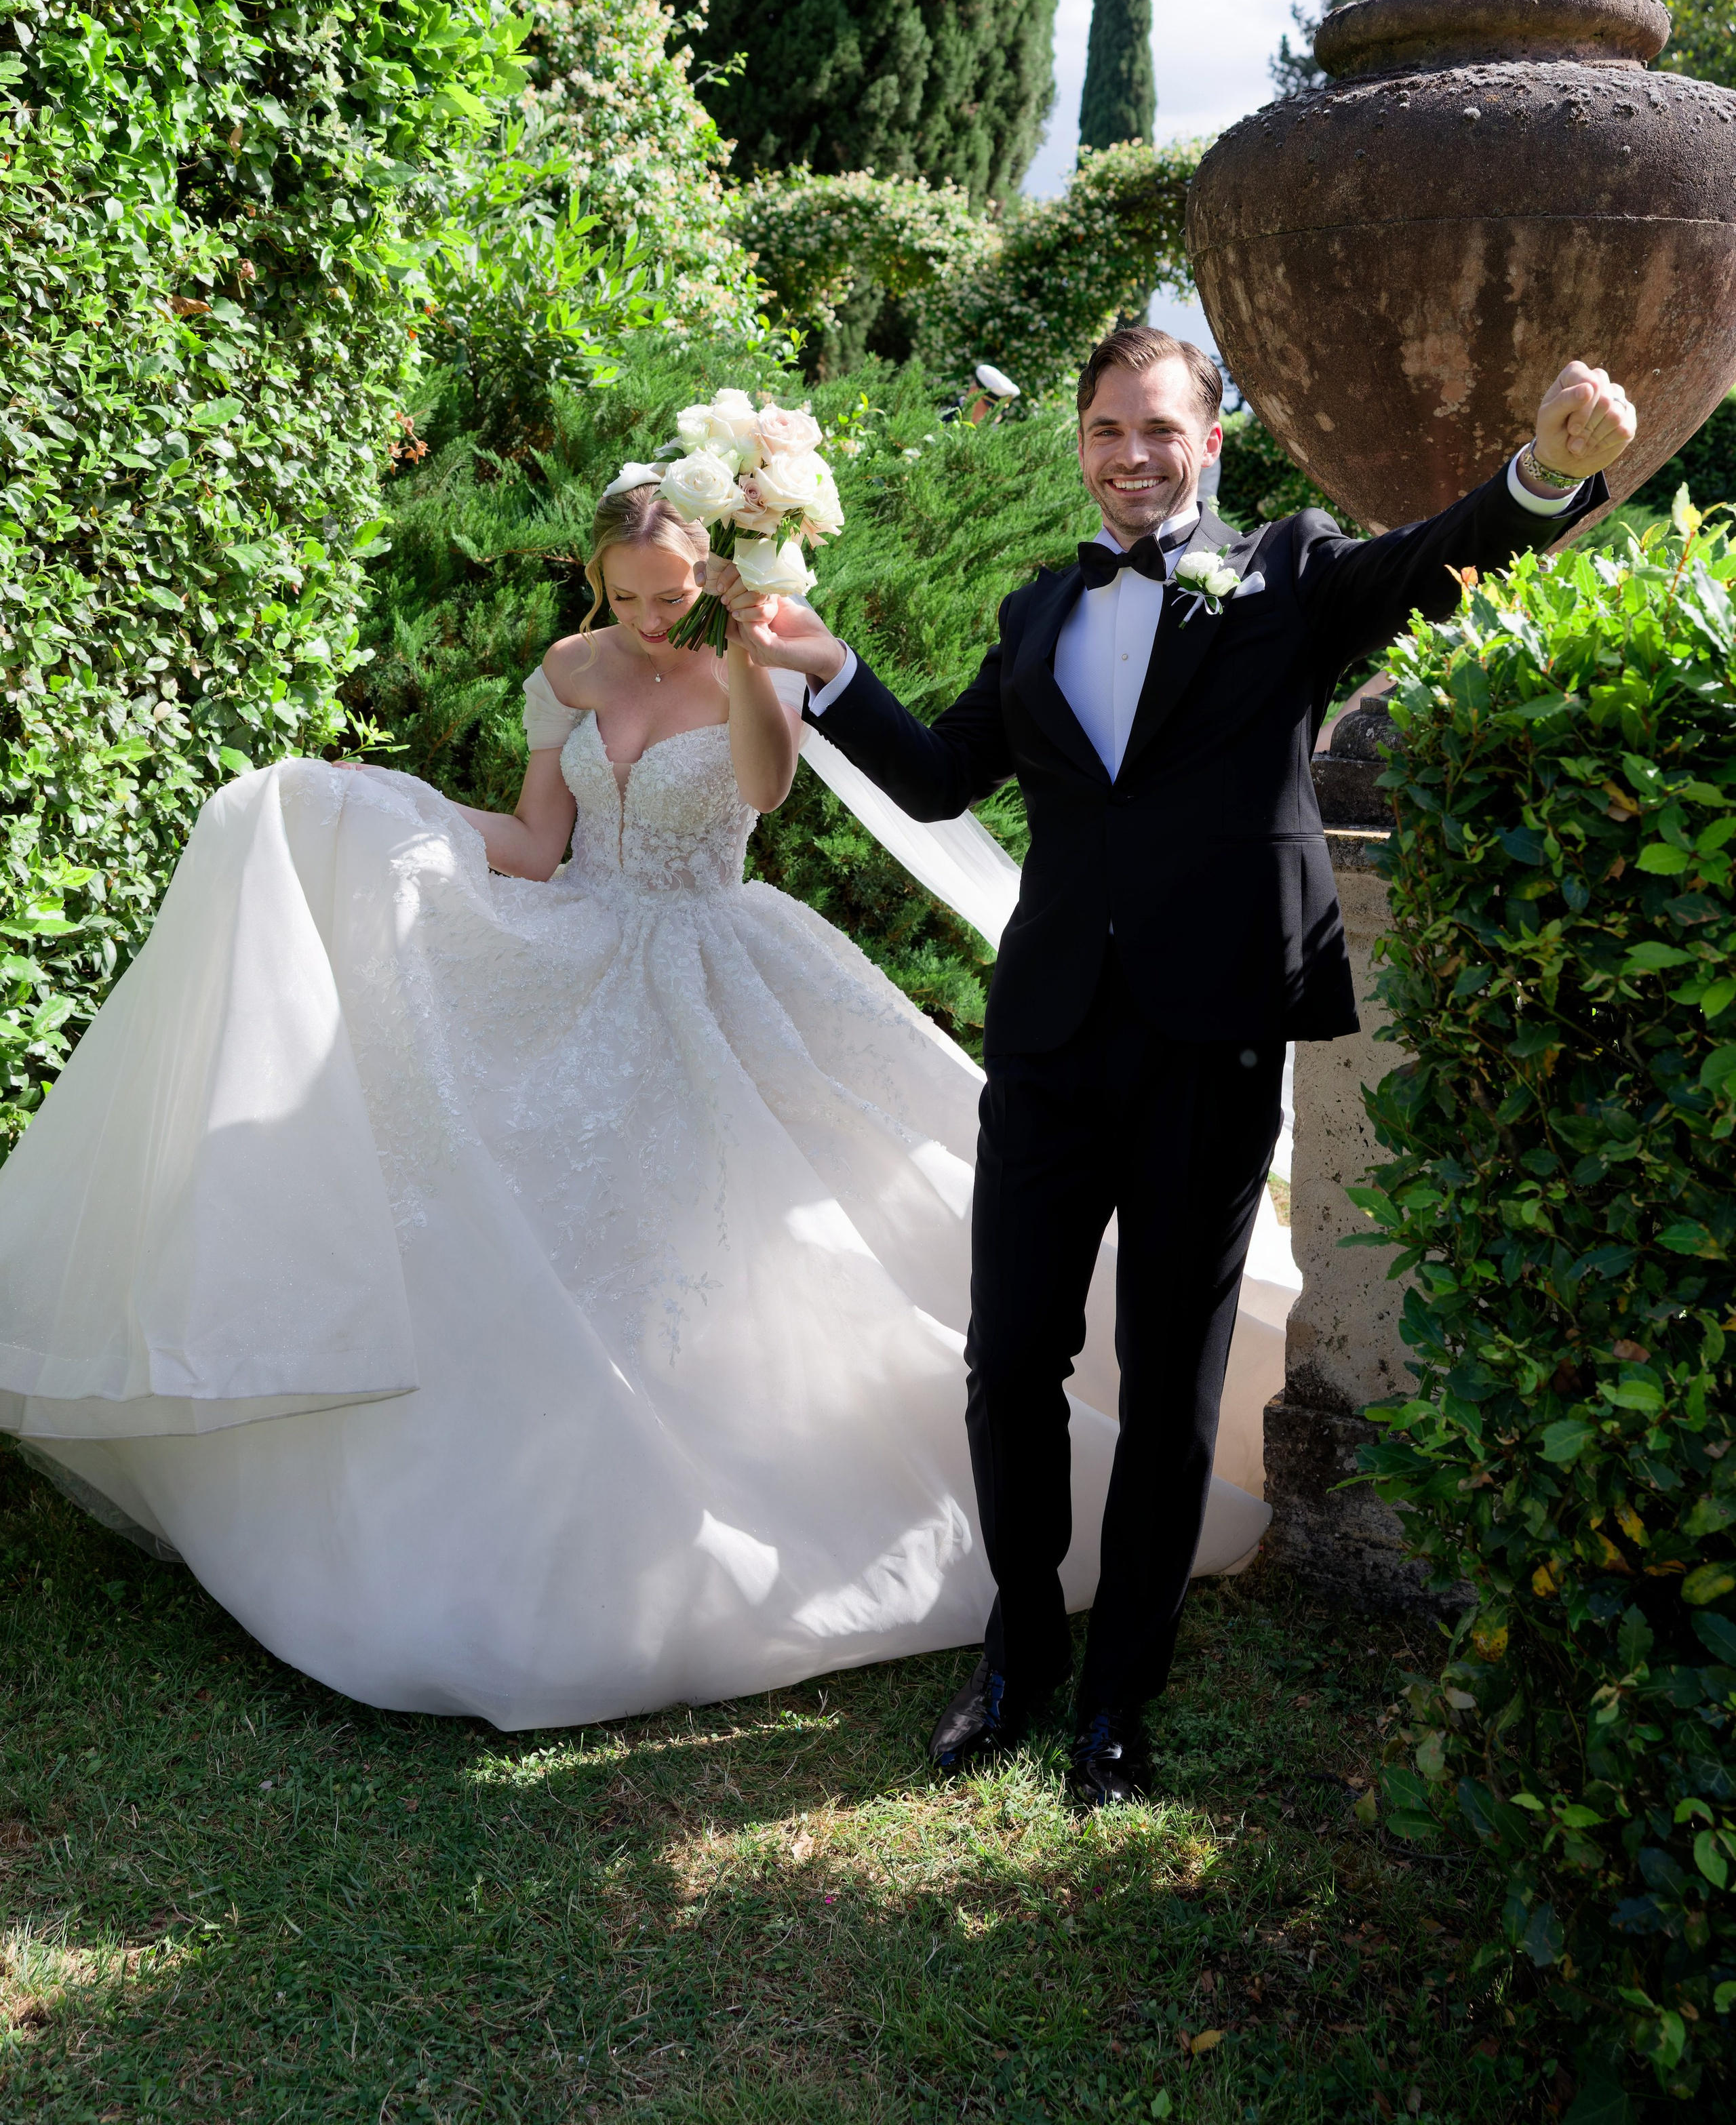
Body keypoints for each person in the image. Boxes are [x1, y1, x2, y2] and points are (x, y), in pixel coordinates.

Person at [0, 477, 1276, 1729]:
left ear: (710, 567)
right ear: (596, 586)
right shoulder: (568, 672)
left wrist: (740, 648)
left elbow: (767, 791)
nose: (655, 618)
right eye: (630, 598)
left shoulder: (752, 649)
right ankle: (568, 1512)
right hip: (577, 957)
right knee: (544, 1243)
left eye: (674, 592)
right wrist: (383, 809)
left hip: (722, 961)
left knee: (764, 1239)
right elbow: (536, 845)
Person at [712, 327, 1636, 1804]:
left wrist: (1543, 475)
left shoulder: (1291, 574)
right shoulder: (1032, 611)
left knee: (1166, 1381)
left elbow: (1440, 554)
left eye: (1158, 429)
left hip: (1211, 1036)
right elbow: (944, 778)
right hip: (1050, 1035)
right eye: (1103, 429)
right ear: (1076, 444)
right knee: (1008, 1358)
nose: (1129, 454)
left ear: (1212, 442)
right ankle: (1016, 1654)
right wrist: (826, 673)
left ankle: (1117, 1701)